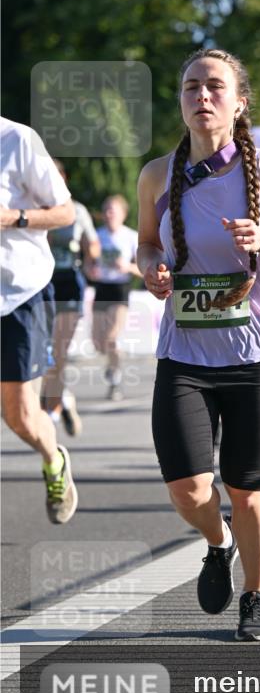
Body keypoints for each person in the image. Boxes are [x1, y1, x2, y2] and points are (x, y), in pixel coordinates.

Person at [137, 48, 260, 642]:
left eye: (215, 87)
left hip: (255, 356)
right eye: (191, 87)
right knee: (189, 489)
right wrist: (151, 269)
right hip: (184, 355)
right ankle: (217, 544)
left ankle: (257, 596)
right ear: (182, 100)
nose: (202, 96)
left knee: (246, 487)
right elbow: (145, 245)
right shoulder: (157, 175)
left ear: (238, 102)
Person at [0, 116, 78, 523]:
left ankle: (53, 460)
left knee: (20, 415)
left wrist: (12, 217)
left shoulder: (16, 139)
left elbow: (65, 212)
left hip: (18, 293)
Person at [42, 161, 101, 433]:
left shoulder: (77, 211)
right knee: (41, 351)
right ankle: (63, 398)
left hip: (68, 283)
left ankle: (53, 407)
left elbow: (92, 243)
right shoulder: (33, 210)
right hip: (40, 284)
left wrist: (93, 259)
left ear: (64, 180)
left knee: (58, 349)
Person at [88, 194, 141, 401]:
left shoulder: (130, 237)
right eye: (106, 210)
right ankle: (114, 361)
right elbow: (87, 264)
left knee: (111, 338)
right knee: (97, 343)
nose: (109, 214)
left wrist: (127, 266)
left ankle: (115, 378)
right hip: (102, 288)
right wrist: (90, 270)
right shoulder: (96, 236)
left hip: (120, 289)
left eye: (113, 210)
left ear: (123, 214)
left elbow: (144, 269)